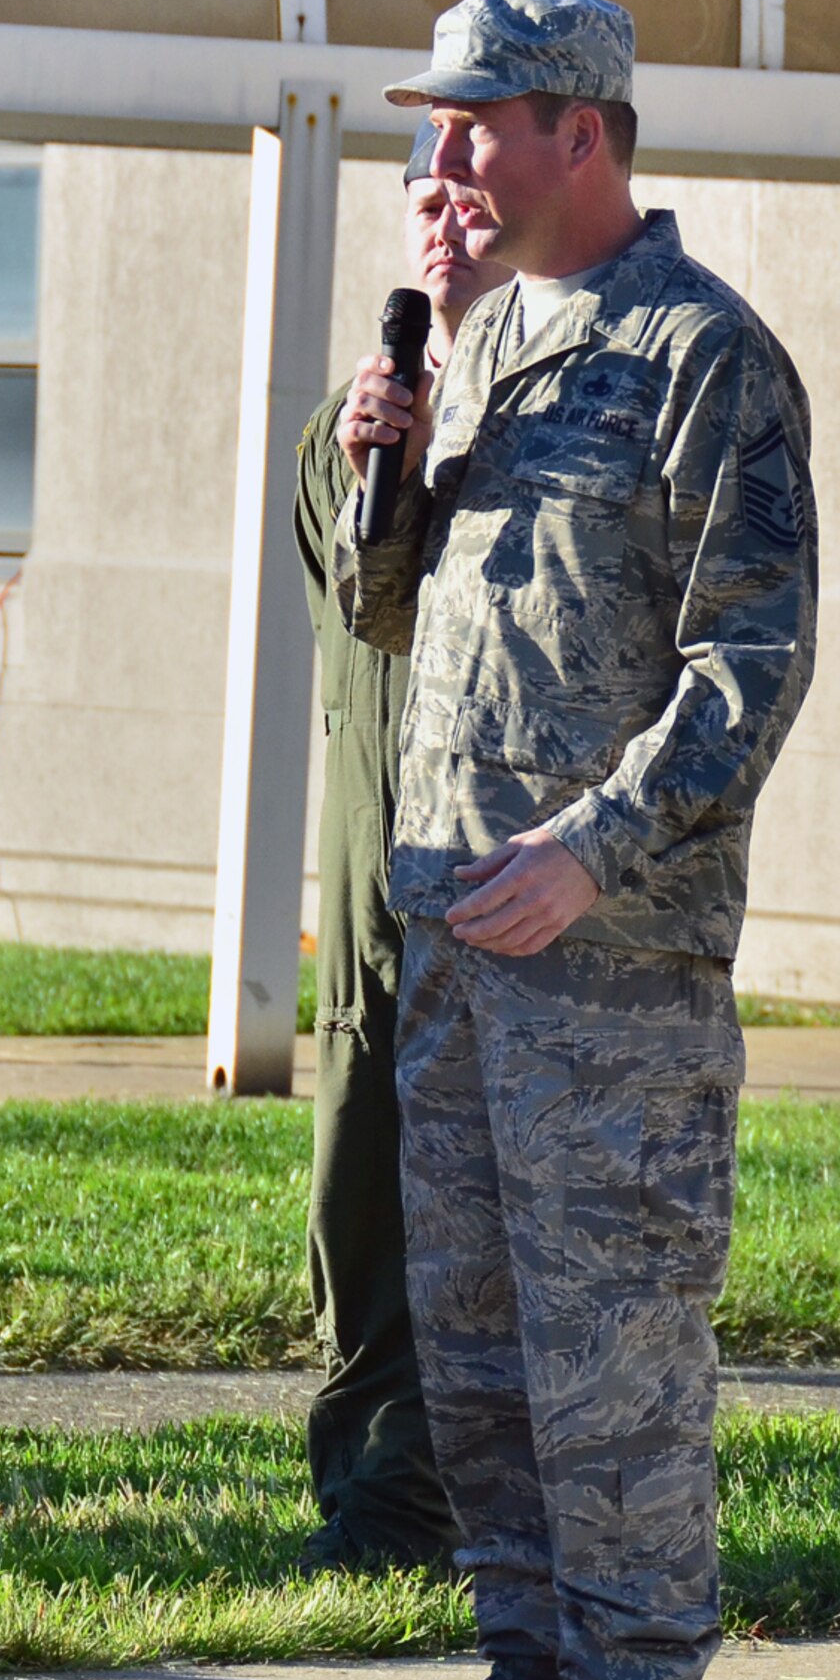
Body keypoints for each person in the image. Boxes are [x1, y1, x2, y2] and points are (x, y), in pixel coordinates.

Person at [310, 0, 816, 1680]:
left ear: (578, 134)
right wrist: (399, 440)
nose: (440, 160)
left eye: (473, 124)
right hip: (457, 956)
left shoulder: (705, 359)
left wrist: (596, 845)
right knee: (485, 1342)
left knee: (611, 1352)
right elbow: (390, 616)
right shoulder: (493, 337)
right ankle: (529, 1671)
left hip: (607, 982)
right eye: (435, 124)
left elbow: (751, 662)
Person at [294, 122, 507, 1574]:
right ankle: (370, 1506)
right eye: (421, 198)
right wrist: (384, 462)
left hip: (504, 892)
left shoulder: (557, 409)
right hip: (375, 887)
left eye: (466, 195)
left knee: (485, 1224)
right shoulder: (356, 414)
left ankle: (469, 1516)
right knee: (353, 1199)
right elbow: (350, 590)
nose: (439, 220)